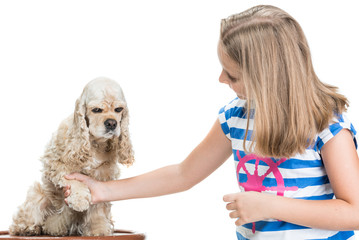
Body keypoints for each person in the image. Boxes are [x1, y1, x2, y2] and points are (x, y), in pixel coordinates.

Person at [64, 5, 359, 239]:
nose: (221, 79)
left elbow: (354, 212)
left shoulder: (327, 126)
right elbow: (183, 174)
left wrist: (270, 206)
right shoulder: (236, 117)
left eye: (232, 75)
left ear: (267, 78)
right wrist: (104, 190)